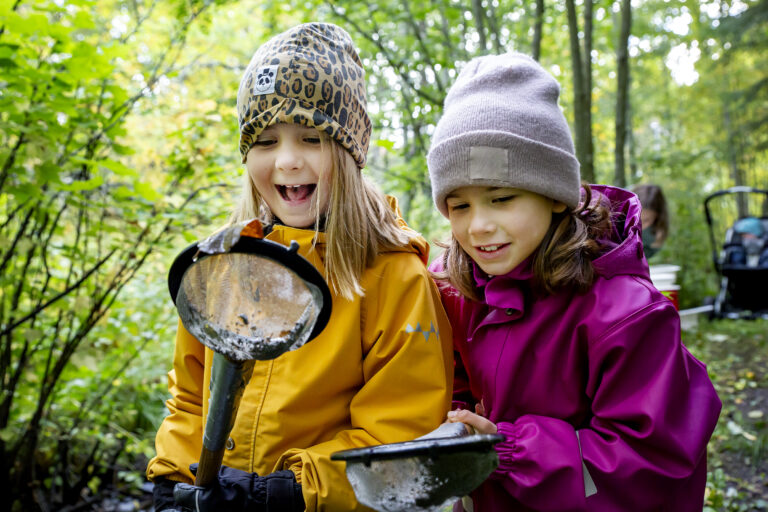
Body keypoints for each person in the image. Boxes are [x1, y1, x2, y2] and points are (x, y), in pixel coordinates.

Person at [146, 22, 453, 512]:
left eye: (311, 138)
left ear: (349, 150)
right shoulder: (225, 266)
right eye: (266, 141)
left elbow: (401, 431)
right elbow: (189, 396)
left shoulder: (394, 279)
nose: (287, 161)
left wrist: (286, 491)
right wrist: (173, 477)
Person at [426, 52, 721, 511]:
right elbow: (451, 384)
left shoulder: (627, 314)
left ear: (555, 196)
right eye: (459, 206)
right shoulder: (458, 291)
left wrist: (505, 450)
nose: (478, 225)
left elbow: (650, 462)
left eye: (501, 198)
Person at [632, 183, 669, 259]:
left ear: (657, 216)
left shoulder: (654, 234)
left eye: (646, 220)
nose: (639, 225)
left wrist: (655, 245)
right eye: (636, 218)